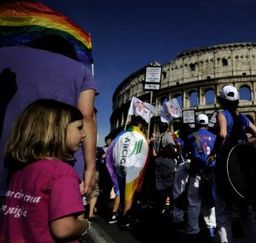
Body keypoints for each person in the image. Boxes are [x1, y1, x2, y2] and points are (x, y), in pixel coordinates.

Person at [0, 34, 98, 200]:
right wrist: (91, 167)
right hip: (62, 165)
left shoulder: (4, 54)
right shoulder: (81, 71)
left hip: (6, 155)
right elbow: (87, 116)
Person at [0, 99, 91, 242]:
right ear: (57, 129)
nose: (84, 135)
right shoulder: (63, 173)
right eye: (79, 128)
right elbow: (64, 229)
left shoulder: (20, 170)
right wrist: (84, 225)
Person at [212, 85, 256, 243]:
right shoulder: (243, 118)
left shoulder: (222, 114)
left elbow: (222, 134)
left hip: (225, 165)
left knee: (223, 212)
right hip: (241, 165)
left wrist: (214, 151)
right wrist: (245, 141)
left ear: (222, 100)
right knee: (246, 211)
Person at [105, 116, 150, 229]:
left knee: (119, 190)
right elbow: (143, 153)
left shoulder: (121, 134)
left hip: (118, 165)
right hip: (132, 167)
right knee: (129, 193)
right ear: (139, 125)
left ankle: (113, 214)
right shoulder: (140, 136)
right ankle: (125, 218)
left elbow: (111, 149)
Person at [184, 114, 217, 241]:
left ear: (197, 123)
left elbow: (185, 151)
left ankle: (193, 230)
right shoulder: (214, 137)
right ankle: (211, 228)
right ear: (207, 123)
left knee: (194, 202)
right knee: (210, 200)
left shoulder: (192, 136)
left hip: (196, 171)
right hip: (210, 172)